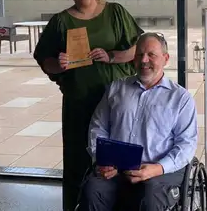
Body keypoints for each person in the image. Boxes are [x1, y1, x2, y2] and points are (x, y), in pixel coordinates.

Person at [33, 0, 144, 211]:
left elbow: (138, 47)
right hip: (78, 104)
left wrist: (112, 56)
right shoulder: (61, 21)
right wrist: (58, 65)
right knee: (78, 161)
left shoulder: (115, 13)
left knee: (117, 161)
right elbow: (44, 60)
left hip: (116, 104)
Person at [79, 33, 198, 211]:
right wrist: (101, 159)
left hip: (158, 170)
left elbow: (186, 145)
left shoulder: (180, 98)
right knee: (92, 191)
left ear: (165, 59)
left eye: (151, 55)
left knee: (148, 196)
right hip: (115, 168)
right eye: (139, 54)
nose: (144, 60)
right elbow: (98, 127)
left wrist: (157, 168)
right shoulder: (116, 89)